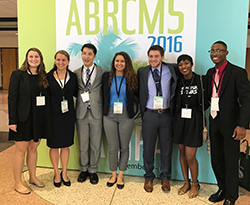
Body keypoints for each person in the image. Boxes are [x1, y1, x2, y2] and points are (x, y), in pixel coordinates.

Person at [205, 41, 250, 205]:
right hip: (214, 122)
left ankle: (232, 196)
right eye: (212, 50)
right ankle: (222, 188)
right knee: (216, 159)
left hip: (232, 125)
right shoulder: (210, 73)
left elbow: (246, 100)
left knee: (230, 161)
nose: (214, 53)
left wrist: (242, 125)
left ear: (226, 53)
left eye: (218, 50)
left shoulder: (237, 73)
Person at [8, 48, 52, 194]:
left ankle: (33, 177)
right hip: (22, 119)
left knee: (33, 148)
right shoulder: (18, 75)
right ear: (27, 58)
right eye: (31, 56)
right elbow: (12, 98)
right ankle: (17, 182)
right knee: (20, 151)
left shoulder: (42, 77)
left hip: (37, 119)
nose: (34, 59)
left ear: (40, 59)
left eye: (37, 56)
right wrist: (12, 121)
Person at [137, 45, 179, 193]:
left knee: (166, 149)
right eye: (150, 56)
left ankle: (165, 178)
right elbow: (137, 91)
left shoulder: (172, 69)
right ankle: (149, 177)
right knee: (148, 148)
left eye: (156, 56)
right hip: (149, 114)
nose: (153, 59)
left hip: (167, 114)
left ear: (162, 57)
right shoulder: (142, 72)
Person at [102, 52, 137, 189]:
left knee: (124, 147)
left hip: (126, 116)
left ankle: (121, 175)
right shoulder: (106, 77)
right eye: (117, 61)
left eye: (122, 61)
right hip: (109, 114)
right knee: (112, 147)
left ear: (126, 63)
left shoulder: (132, 78)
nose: (119, 63)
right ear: (113, 63)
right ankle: (113, 174)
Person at [173, 54, 207, 198]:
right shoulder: (178, 81)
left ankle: (195, 183)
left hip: (195, 120)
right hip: (180, 120)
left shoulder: (201, 80)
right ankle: (186, 182)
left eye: (186, 63)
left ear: (191, 64)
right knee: (181, 153)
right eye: (180, 65)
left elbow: (208, 100)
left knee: (190, 156)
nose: (183, 67)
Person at [74, 43, 106, 184]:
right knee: (83, 143)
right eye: (84, 53)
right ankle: (84, 169)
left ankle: (93, 170)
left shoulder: (103, 72)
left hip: (96, 112)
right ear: (81, 54)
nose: (86, 56)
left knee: (95, 143)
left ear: (94, 56)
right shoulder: (75, 73)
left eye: (89, 54)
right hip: (81, 112)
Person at [47, 50, 78, 188]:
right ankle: (56, 173)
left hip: (68, 116)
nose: (60, 62)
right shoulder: (48, 76)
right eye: (58, 60)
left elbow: (77, 93)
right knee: (54, 146)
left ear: (68, 61)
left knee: (65, 145)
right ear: (55, 61)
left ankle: (64, 173)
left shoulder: (73, 77)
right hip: (52, 116)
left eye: (63, 60)